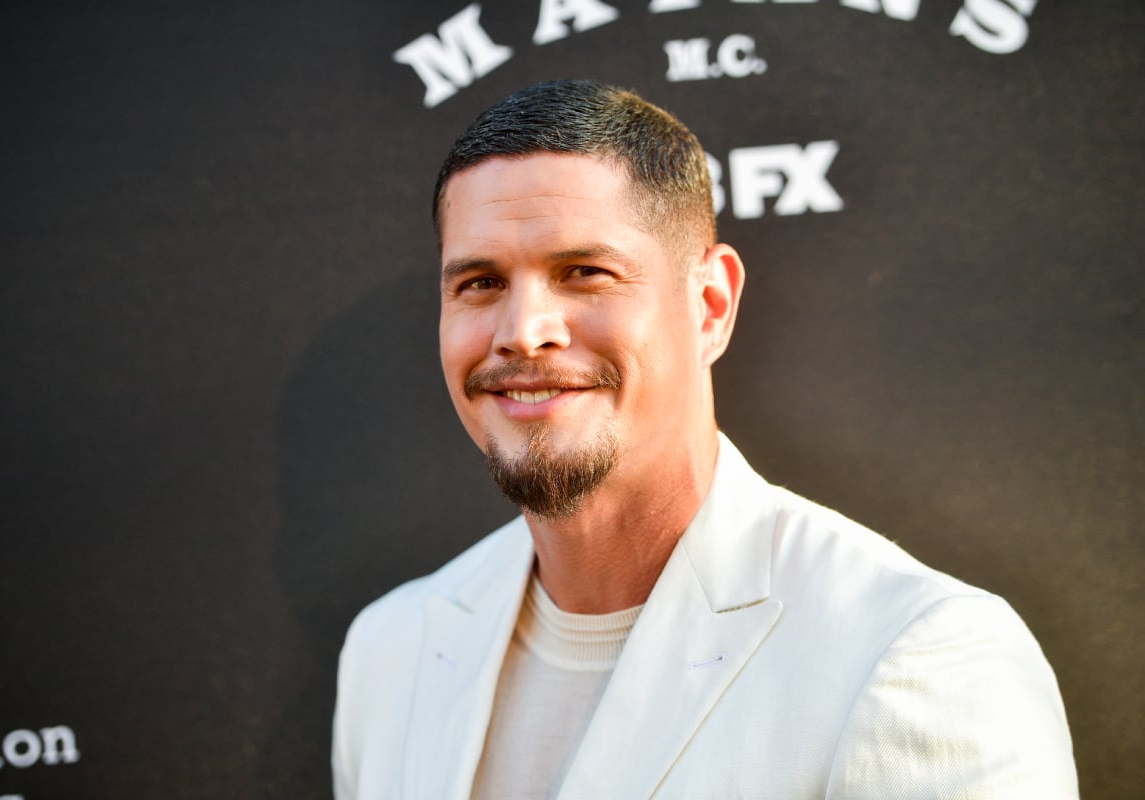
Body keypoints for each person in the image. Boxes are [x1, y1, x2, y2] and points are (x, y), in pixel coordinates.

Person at [331, 79, 1077, 799]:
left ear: (711, 306)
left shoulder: (917, 656)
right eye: (479, 283)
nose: (524, 331)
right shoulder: (390, 649)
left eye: (585, 272)